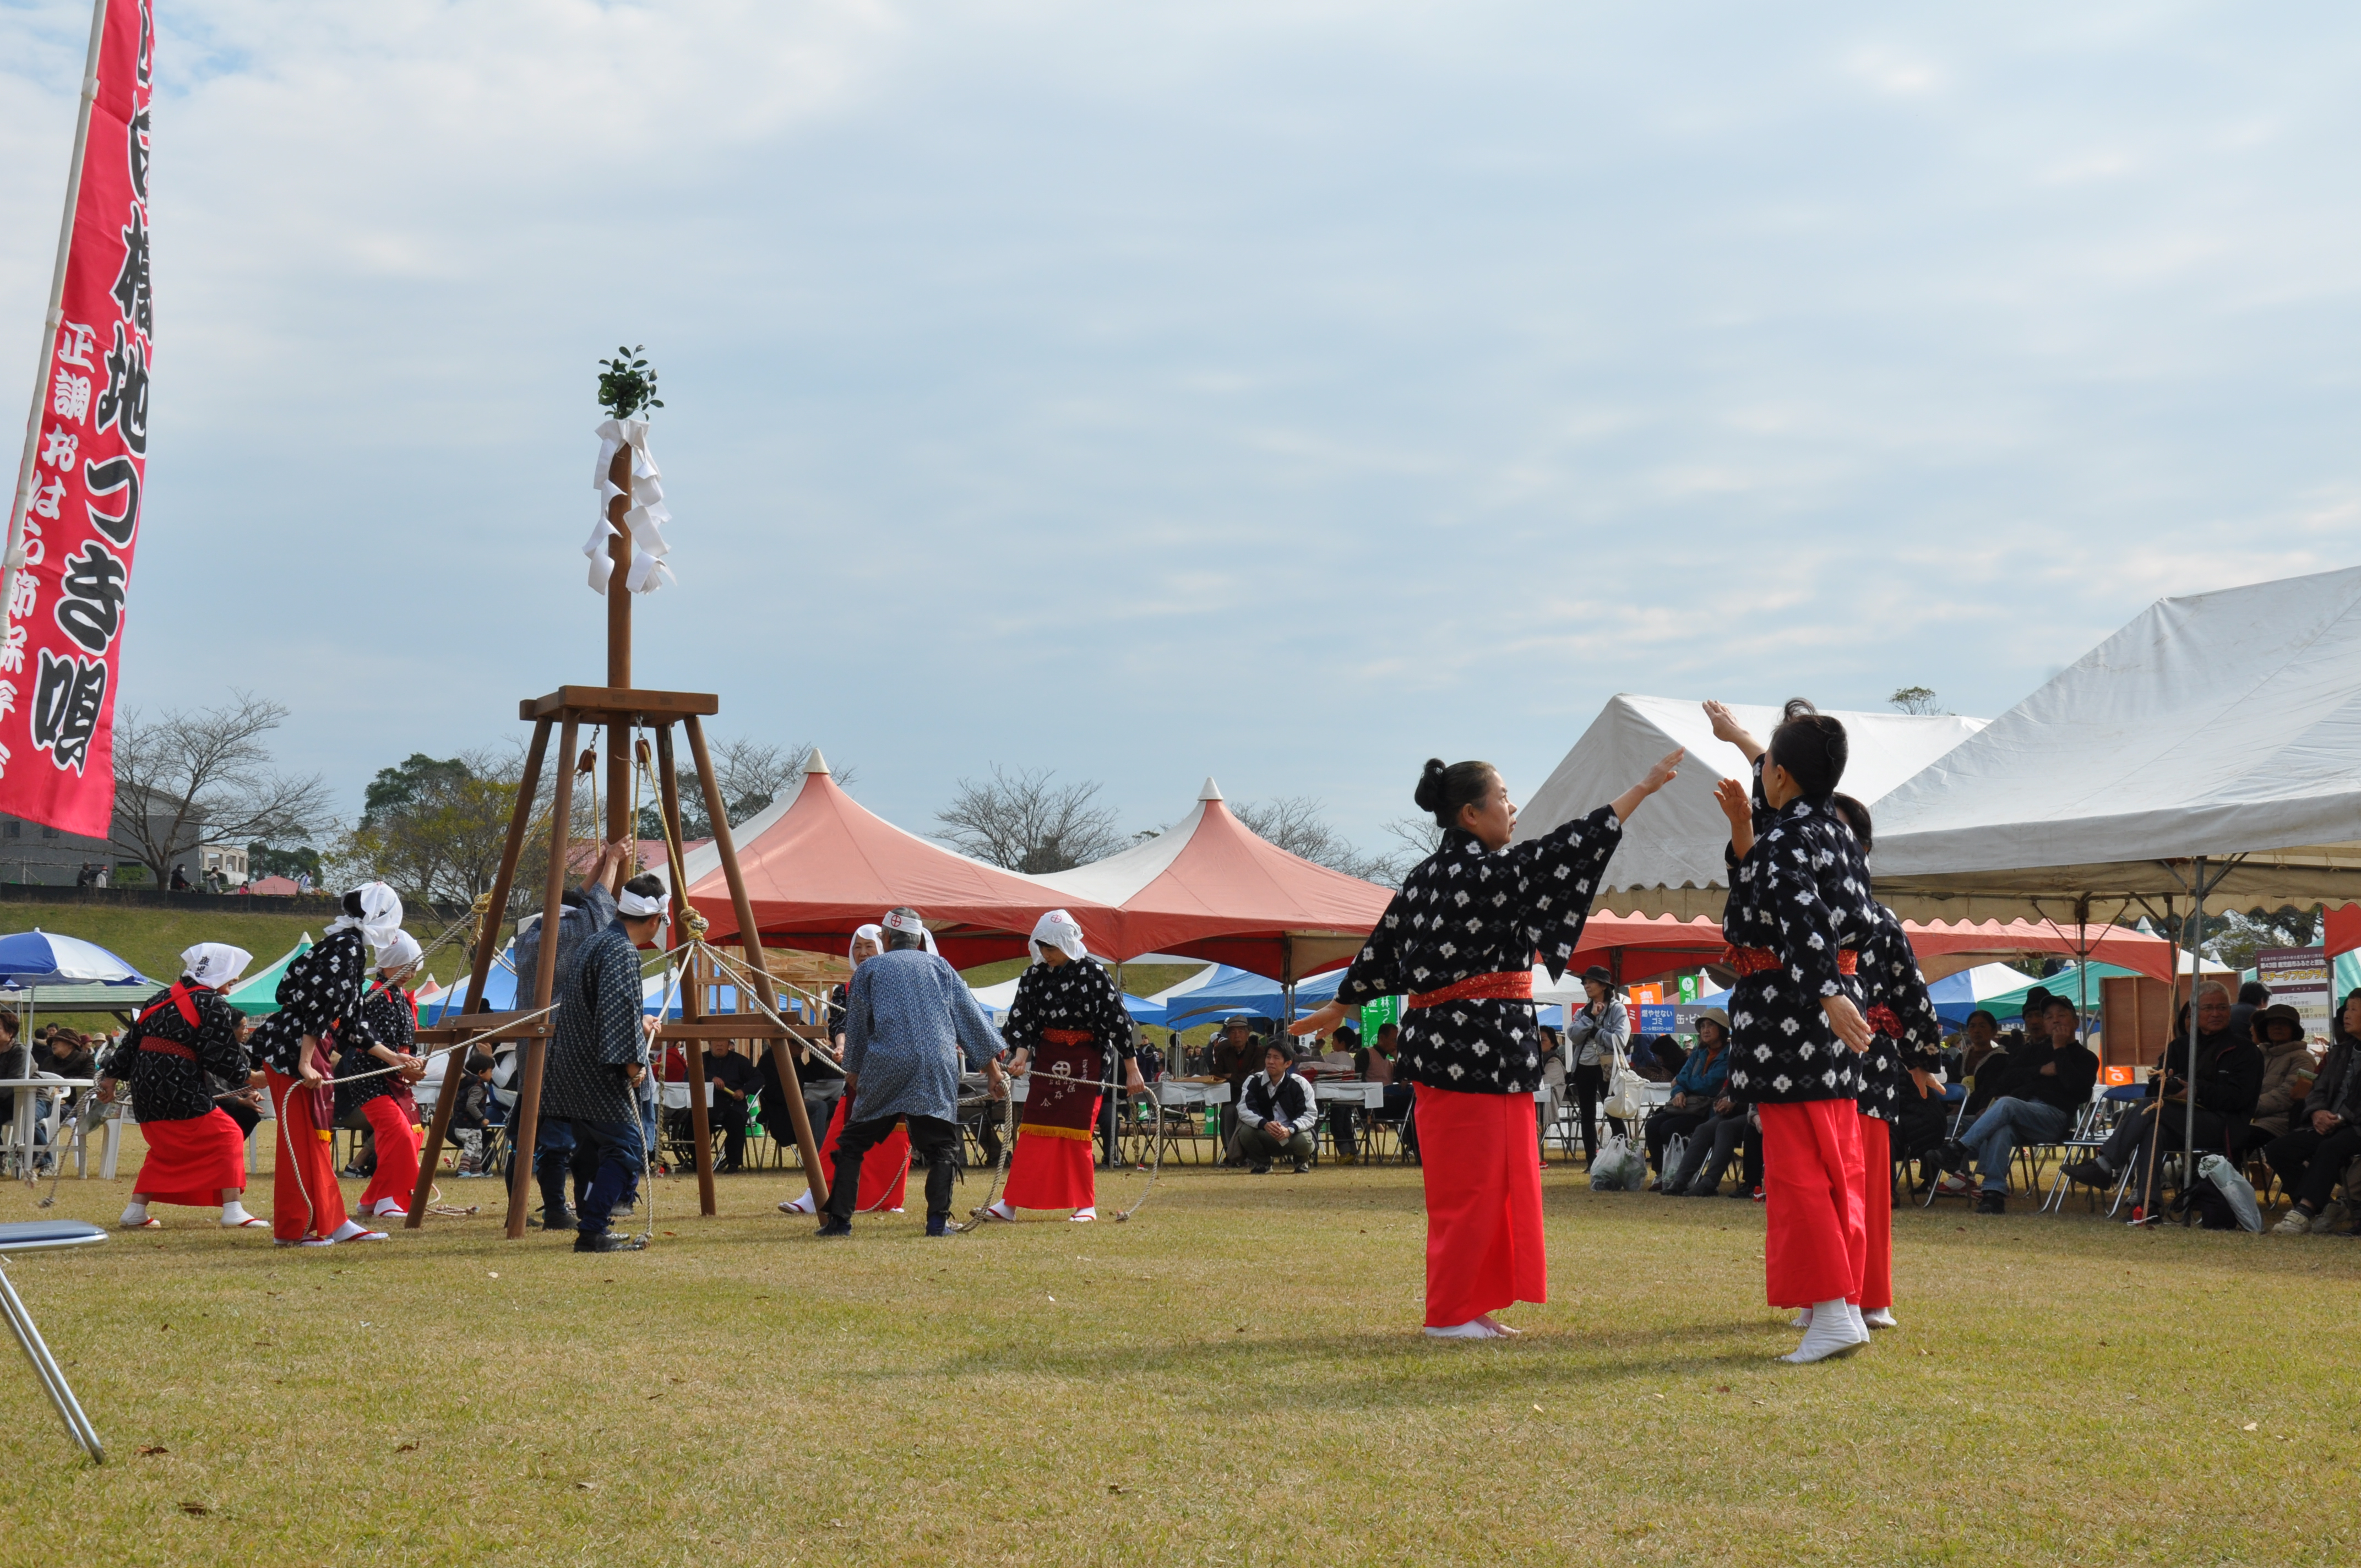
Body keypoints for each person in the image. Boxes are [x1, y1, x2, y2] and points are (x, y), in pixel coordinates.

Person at [1293, 747, 1681, 1340]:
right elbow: (1568, 846)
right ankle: (1449, 1313)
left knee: (1493, 1179)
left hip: (1485, 1047)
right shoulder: (1480, 873)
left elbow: (1381, 946)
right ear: (1471, 815)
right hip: (1466, 1047)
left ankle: (1472, 1305)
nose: (1513, 807)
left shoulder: (1431, 877)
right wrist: (1640, 790)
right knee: (1467, 1185)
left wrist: (1344, 1001)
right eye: (1503, 797)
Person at [1706, 696, 1878, 1363]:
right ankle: (1835, 1304)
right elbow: (1783, 785)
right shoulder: (1834, 826)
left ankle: (1833, 1308)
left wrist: (1827, 991)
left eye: (1766, 765)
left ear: (1779, 777)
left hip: (1792, 1011)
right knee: (1834, 1163)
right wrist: (1743, 739)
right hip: (1824, 1006)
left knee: (1802, 1169)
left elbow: (1802, 918)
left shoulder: (1784, 836)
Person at [818, 906, 1008, 1238]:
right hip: (935, 1064)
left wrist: (854, 1070)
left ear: (887, 938)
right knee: (942, 1149)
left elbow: (859, 1026)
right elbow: (970, 1021)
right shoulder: (941, 966)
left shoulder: (870, 969)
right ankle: (937, 1223)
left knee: (852, 1144)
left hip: (885, 1064)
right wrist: (993, 1071)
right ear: (919, 939)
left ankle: (840, 1223)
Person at [248, 883, 405, 1247]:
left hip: (301, 1046)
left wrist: (391, 1057)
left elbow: (349, 1019)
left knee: (315, 1140)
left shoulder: (344, 946)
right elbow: (320, 1005)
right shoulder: (346, 948)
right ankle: (296, 1228)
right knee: (304, 1143)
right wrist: (305, 1061)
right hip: (295, 1050)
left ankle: (331, 1220)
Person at [979, 909, 1145, 1224]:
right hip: (1050, 1059)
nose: (1046, 954)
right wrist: (1021, 1055)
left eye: (1052, 948)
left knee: (1077, 1132)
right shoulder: (1033, 976)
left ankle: (1085, 1204)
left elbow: (1118, 1022)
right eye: (1042, 947)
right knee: (1032, 1129)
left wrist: (1132, 1068)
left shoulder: (1094, 974)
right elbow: (1024, 1020)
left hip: (1087, 1060)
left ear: (1068, 944)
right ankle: (1010, 1203)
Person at [96, 944, 266, 1231]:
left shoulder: (158, 999)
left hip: (146, 1085)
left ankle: (135, 1211)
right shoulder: (212, 1004)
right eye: (231, 978)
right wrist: (250, 1076)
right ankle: (233, 1209)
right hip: (178, 1082)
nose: (231, 986)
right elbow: (219, 1054)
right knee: (227, 1135)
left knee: (166, 1146)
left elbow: (130, 1043)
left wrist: (110, 1077)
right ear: (218, 972)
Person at [540, 873, 667, 1253]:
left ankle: (594, 1221)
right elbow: (617, 1010)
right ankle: (593, 1229)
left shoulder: (595, 942)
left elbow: (597, 1008)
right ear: (655, 920)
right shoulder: (622, 951)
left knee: (591, 1151)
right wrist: (632, 1064)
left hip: (571, 1066)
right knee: (628, 1148)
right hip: (598, 1070)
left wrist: (637, 1024)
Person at [2058, 982, 2261, 1218]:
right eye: (2208, 1008)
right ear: (2193, 1012)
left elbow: (2241, 1098)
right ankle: (2148, 1205)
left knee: (2151, 1109)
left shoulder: (2245, 1051)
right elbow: (2153, 1085)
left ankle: (2105, 1164)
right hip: (2178, 1119)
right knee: (2153, 1129)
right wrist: (2170, 1087)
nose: (2215, 1013)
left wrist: (2196, 1091)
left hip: (2222, 1125)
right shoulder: (2179, 1046)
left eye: (2222, 1007)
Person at [780, 925, 909, 1216]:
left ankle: (888, 1200)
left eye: (869, 946)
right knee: (840, 1131)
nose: (863, 953)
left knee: (894, 1137)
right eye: (858, 947)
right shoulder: (845, 989)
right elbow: (841, 1024)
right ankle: (817, 1195)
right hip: (860, 1073)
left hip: (894, 1070)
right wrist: (842, 1046)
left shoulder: (901, 984)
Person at [1938, 997, 2099, 1213]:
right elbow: (2006, 1079)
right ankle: (1993, 1194)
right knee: (2001, 1128)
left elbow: (2077, 1091)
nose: (2055, 1021)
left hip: (2054, 1117)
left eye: (2062, 1016)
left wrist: (2060, 1050)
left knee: (2007, 1105)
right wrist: (2040, 1071)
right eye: (2050, 1017)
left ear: (2076, 1022)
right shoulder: (2033, 1052)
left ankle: (1958, 1149)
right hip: (2020, 1113)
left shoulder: (2085, 1057)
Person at [346, 931, 429, 1221]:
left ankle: (375, 1199)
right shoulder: (376, 996)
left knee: (406, 1136)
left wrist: (412, 1068)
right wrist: (399, 1062)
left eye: (413, 968)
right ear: (387, 965)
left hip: (396, 1076)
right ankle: (389, 1200)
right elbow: (368, 1040)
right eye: (405, 967)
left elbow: (406, 1043)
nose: (411, 974)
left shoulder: (400, 997)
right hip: (372, 1075)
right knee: (398, 1132)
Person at [2265, 990, 2361, 1234]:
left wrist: (2341, 1118)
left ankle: (2305, 1211)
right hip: (2329, 1122)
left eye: (2353, 1009)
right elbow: (2318, 1088)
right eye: (2346, 1009)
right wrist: (2318, 1112)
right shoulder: (2340, 1052)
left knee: (2331, 1147)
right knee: (2278, 1149)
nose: (2346, 1016)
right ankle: (2323, 1204)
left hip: (2355, 1126)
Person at [1644, 1014, 1729, 1183]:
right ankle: (1662, 1174)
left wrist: (1682, 1083)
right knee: (1652, 1125)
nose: (1705, 1030)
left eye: (1710, 1025)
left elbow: (1709, 1085)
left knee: (1670, 1128)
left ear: (1722, 1030)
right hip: (1687, 1104)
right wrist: (1679, 1092)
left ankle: (1683, 1173)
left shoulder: (1729, 1056)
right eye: (1702, 1026)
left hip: (1708, 1109)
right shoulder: (1699, 1054)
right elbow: (1683, 1075)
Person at [1564, 966, 1628, 1161]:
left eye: (1590, 982)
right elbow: (1573, 1036)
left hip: (1607, 1068)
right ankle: (1592, 1161)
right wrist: (1591, 1017)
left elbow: (1620, 1040)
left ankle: (1624, 1157)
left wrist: (1596, 1033)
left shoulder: (1617, 1009)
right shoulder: (1584, 1011)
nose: (1586, 986)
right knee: (1587, 1116)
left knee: (1613, 1113)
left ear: (1603, 986)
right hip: (1583, 1067)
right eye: (1585, 982)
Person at [1232, 1042, 1319, 1173]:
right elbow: (1244, 1109)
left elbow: (1309, 1114)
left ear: (1288, 1064)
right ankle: (1263, 1163)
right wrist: (1264, 1124)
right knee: (1245, 1132)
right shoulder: (1254, 1081)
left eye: (1276, 1058)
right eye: (1268, 1057)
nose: (1271, 1062)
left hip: (1292, 1135)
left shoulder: (1300, 1083)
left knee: (1304, 1141)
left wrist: (1290, 1129)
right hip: (1265, 1133)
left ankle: (1301, 1162)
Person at [2244, 1003, 2316, 1153]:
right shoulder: (2259, 1056)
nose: (2277, 1027)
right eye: (2272, 1023)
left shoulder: (2303, 1058)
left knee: (2236, 1138)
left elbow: (2289, 1094)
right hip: (2250, 1119)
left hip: (2281, 1123)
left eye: (2283, 1024)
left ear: (2293, 1030)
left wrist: (2250, 1108)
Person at [698, 1037, 761, 1173]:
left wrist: (744, 1091)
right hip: (707, 1104)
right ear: (709, 1044)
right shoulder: (701, 1060)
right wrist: (710, 1079)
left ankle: (733, 1164)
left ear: (729, 1044)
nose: (719, 1044)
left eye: (723, 1041)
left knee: (736, 1122)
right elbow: (688, 1074)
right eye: (715, 1041)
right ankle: (699, 1162)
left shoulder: (740, 1061)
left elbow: (759, 1078)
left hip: (733, 1103)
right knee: (693, 1125)